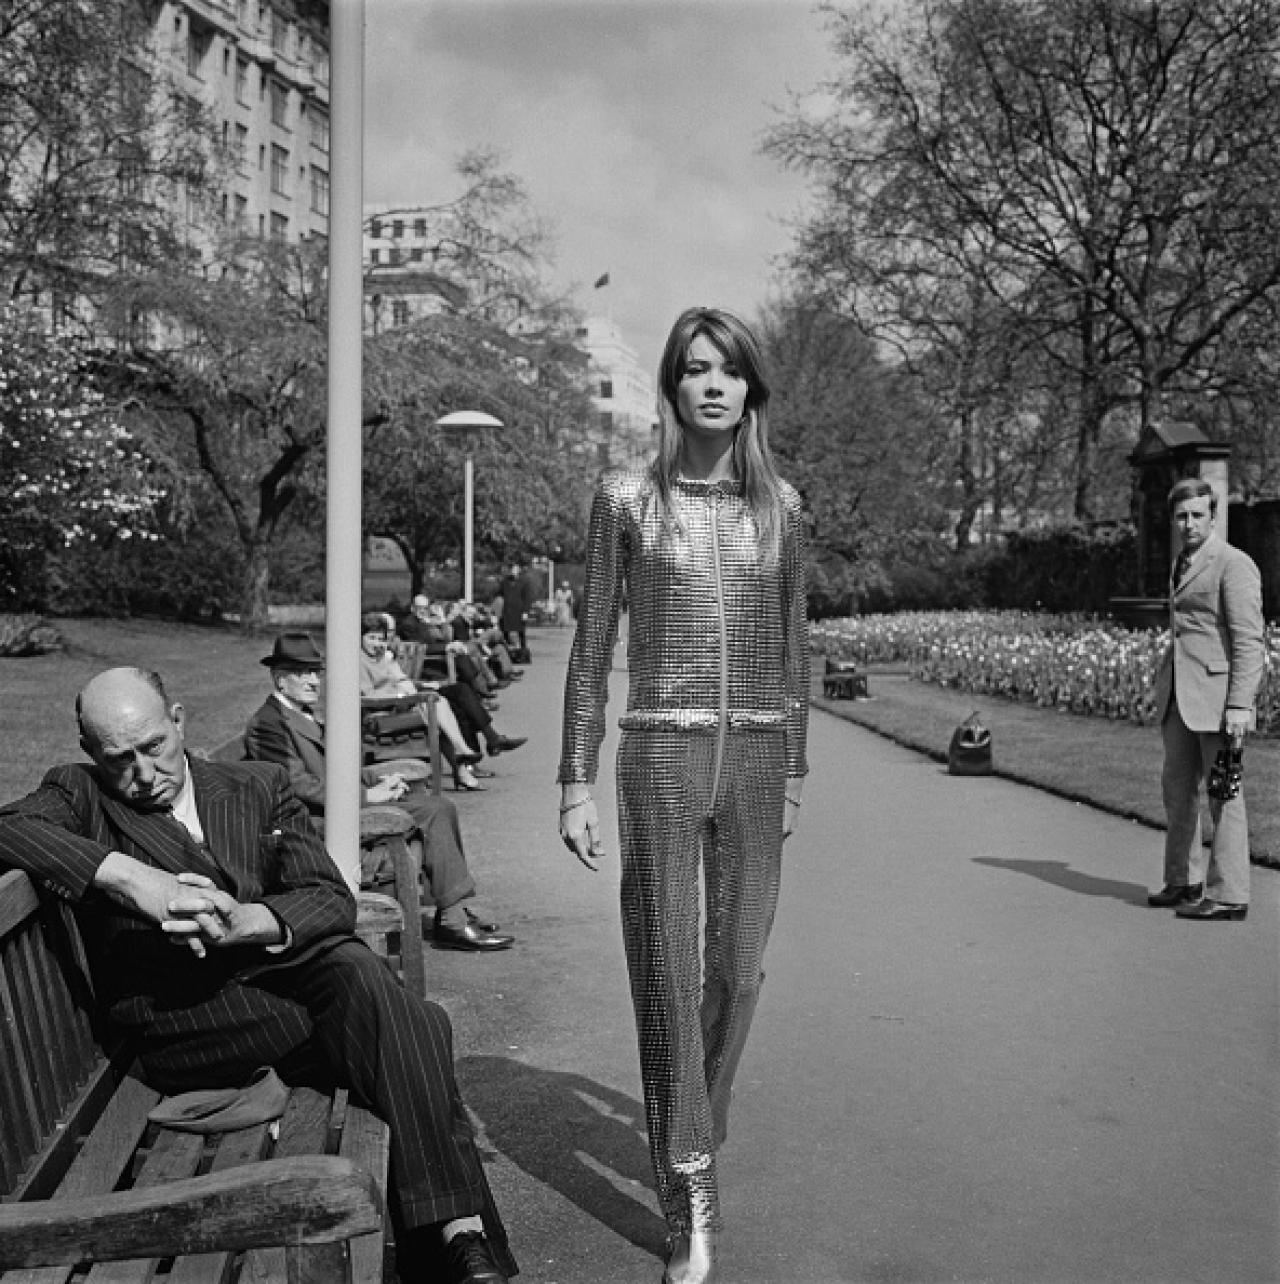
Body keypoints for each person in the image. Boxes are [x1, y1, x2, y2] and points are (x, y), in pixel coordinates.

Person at [0, 667, 517, 1284]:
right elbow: (8, 826)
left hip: (282, 986)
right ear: (91, 754)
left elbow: (328, 896)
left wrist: (249, 921)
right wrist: (138, 882)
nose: (142, 773)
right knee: (407, 1025)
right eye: (120, 759)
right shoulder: (79, 794)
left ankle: (454, 1245)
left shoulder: (254, 784)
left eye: (154, 747)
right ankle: (459, 1240)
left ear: (180, 721)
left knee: (365, 983)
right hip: (188, 1026)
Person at [557, 307, 809, 1284]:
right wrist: (574, 777)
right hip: (658, 758)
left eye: (729, 371)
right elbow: (590, 650)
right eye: (694, 369)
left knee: (737, 975)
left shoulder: (781, 506)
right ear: (671, 386)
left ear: (750, 390)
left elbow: (793, 648)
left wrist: (791, 765)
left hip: (750, 762)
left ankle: (692, 1126)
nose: (712, 384)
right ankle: (688, 1190)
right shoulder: (624, 500)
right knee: (665, 978)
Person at [244, 632, 514, 951]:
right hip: (313, 827)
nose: (314, 680)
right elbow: (295, 784)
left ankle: (453, 913)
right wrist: (365, 797)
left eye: (316, 671)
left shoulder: (302, 713)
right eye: (301, 672)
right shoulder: (269, 723)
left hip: (338, 810)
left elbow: (335, 772)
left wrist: (379, 780)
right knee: (436, 810)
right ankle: (453, 921)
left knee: (438, 806)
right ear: (279, 679)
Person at [1148, 477, 1265, 921]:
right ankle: (1183, 880)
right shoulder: (1181, 562)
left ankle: (1230, 894)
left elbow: (1249, 641)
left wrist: (1239, 704)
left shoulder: (1233, 564)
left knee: (1224, 793)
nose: (1189, 523)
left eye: (1198, 514)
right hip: (1179, 696)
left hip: (1218, 701)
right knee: (1177, 791)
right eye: (1182, 516)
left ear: (1213, 516)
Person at [358, 615, 527, 764]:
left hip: (409, 697)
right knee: (455, 699)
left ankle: (475, 751)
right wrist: (402, 692)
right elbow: (371, 695)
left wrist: (419, 685)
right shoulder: (359, 660)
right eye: (371, 638)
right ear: (360, 638)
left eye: (381, 639)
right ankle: (475, 751)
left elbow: (401, 679)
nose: (377, 643)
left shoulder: (385, 656)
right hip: (392, 706)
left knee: (460, 692)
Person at [499, 563, 533, 660]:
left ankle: (523, 652)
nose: (513, 571)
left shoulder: (524, 582)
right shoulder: (505, 582)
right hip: (507, 611)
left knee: (521, 632)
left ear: (518, 570)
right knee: (505, 631)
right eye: (512, 569)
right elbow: (500, 595)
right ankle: (507, 652)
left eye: (515, 569)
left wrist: (526, 612)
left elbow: (527, 598)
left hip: (519, 611)